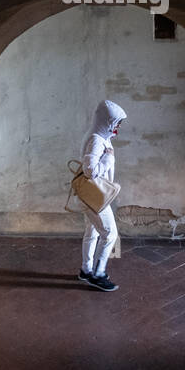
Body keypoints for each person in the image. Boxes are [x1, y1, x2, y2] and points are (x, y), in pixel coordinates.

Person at [78, 99, 127, 292]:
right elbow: (90, 170)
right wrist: (108, 160)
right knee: (110, 234)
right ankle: (97, 274)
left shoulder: (98, 136)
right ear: (108, 121)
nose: (118, 126)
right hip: (95, 197)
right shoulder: (97, 140)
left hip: (92, 196)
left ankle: (86, 270)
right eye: (117, 122)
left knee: (93, 232)